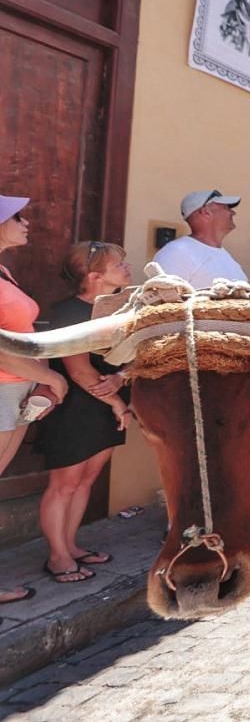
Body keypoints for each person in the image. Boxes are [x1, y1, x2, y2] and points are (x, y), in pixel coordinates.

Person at [37, 242, 134, 584]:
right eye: (119, 264)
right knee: (64, 485)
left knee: (87, 480)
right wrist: (117, 402)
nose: (127, 267)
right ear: (95, 276)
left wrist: (122, 379)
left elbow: (137, 354)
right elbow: (77, 370)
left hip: (106, 405)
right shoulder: (67, 312)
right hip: (74, 408)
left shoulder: (122, 309)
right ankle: (57, 556)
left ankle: (71, 545)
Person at [0, 197, 69, 603]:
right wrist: (50, 377)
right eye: (17, 216)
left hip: (16, 388)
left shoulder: (5, 271)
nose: (27, 222)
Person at [152, 190, 247, 288]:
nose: (233, 212)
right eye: (225, 207)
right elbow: (163, 300)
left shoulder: (227, 257)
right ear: (206, 212)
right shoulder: (176, 253)